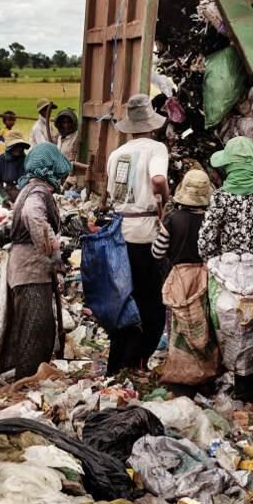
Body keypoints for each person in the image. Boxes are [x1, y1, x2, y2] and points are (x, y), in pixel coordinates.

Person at [200, 137, 253, 401]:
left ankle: (239, 385)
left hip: (228, 273)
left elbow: (206, 239)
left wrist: (212, 258)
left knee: (230, 329)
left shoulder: (221, 197)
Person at [0, 144, 71, 382]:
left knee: (34, 327)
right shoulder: (37, 193)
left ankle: (27, 378)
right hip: (31, 271)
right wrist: (53, 252)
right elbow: (32, 216)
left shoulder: (29, 188)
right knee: (35, 331)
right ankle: (27, 383)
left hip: (25, 268)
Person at [105, 94, 171, 374]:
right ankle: (139, 359)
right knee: (152, 303)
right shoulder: (156, 149)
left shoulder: (117, 154)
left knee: (126, 300)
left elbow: (114, 195)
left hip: (121, 234)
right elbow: (157, 179)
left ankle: (120, 361)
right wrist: (165, 199)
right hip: (146, 235)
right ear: (152, 124)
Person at [154, 168, 218, 391]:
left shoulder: (172, 220)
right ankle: (205, 373)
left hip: (179, 277)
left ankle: (181, 373)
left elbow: (157, 252)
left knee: (179, 325)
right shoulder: (211, 219)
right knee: (204, 325)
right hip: (204, 277)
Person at [53, 108, 84, 185]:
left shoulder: (76, 137)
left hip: (70, 176)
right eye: (64, 122)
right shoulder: (60, 137)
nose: (66, 125)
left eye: (69, 122)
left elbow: (76, 160)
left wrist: (70, 179)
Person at [0, 135, 30, 200]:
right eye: (15, 146)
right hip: (8, 193)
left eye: (20, 146)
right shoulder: (1, 159)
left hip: (24, 193)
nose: (18, 148)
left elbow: (29, 178)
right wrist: (4, 195)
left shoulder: (26, 159)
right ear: (9, 148)